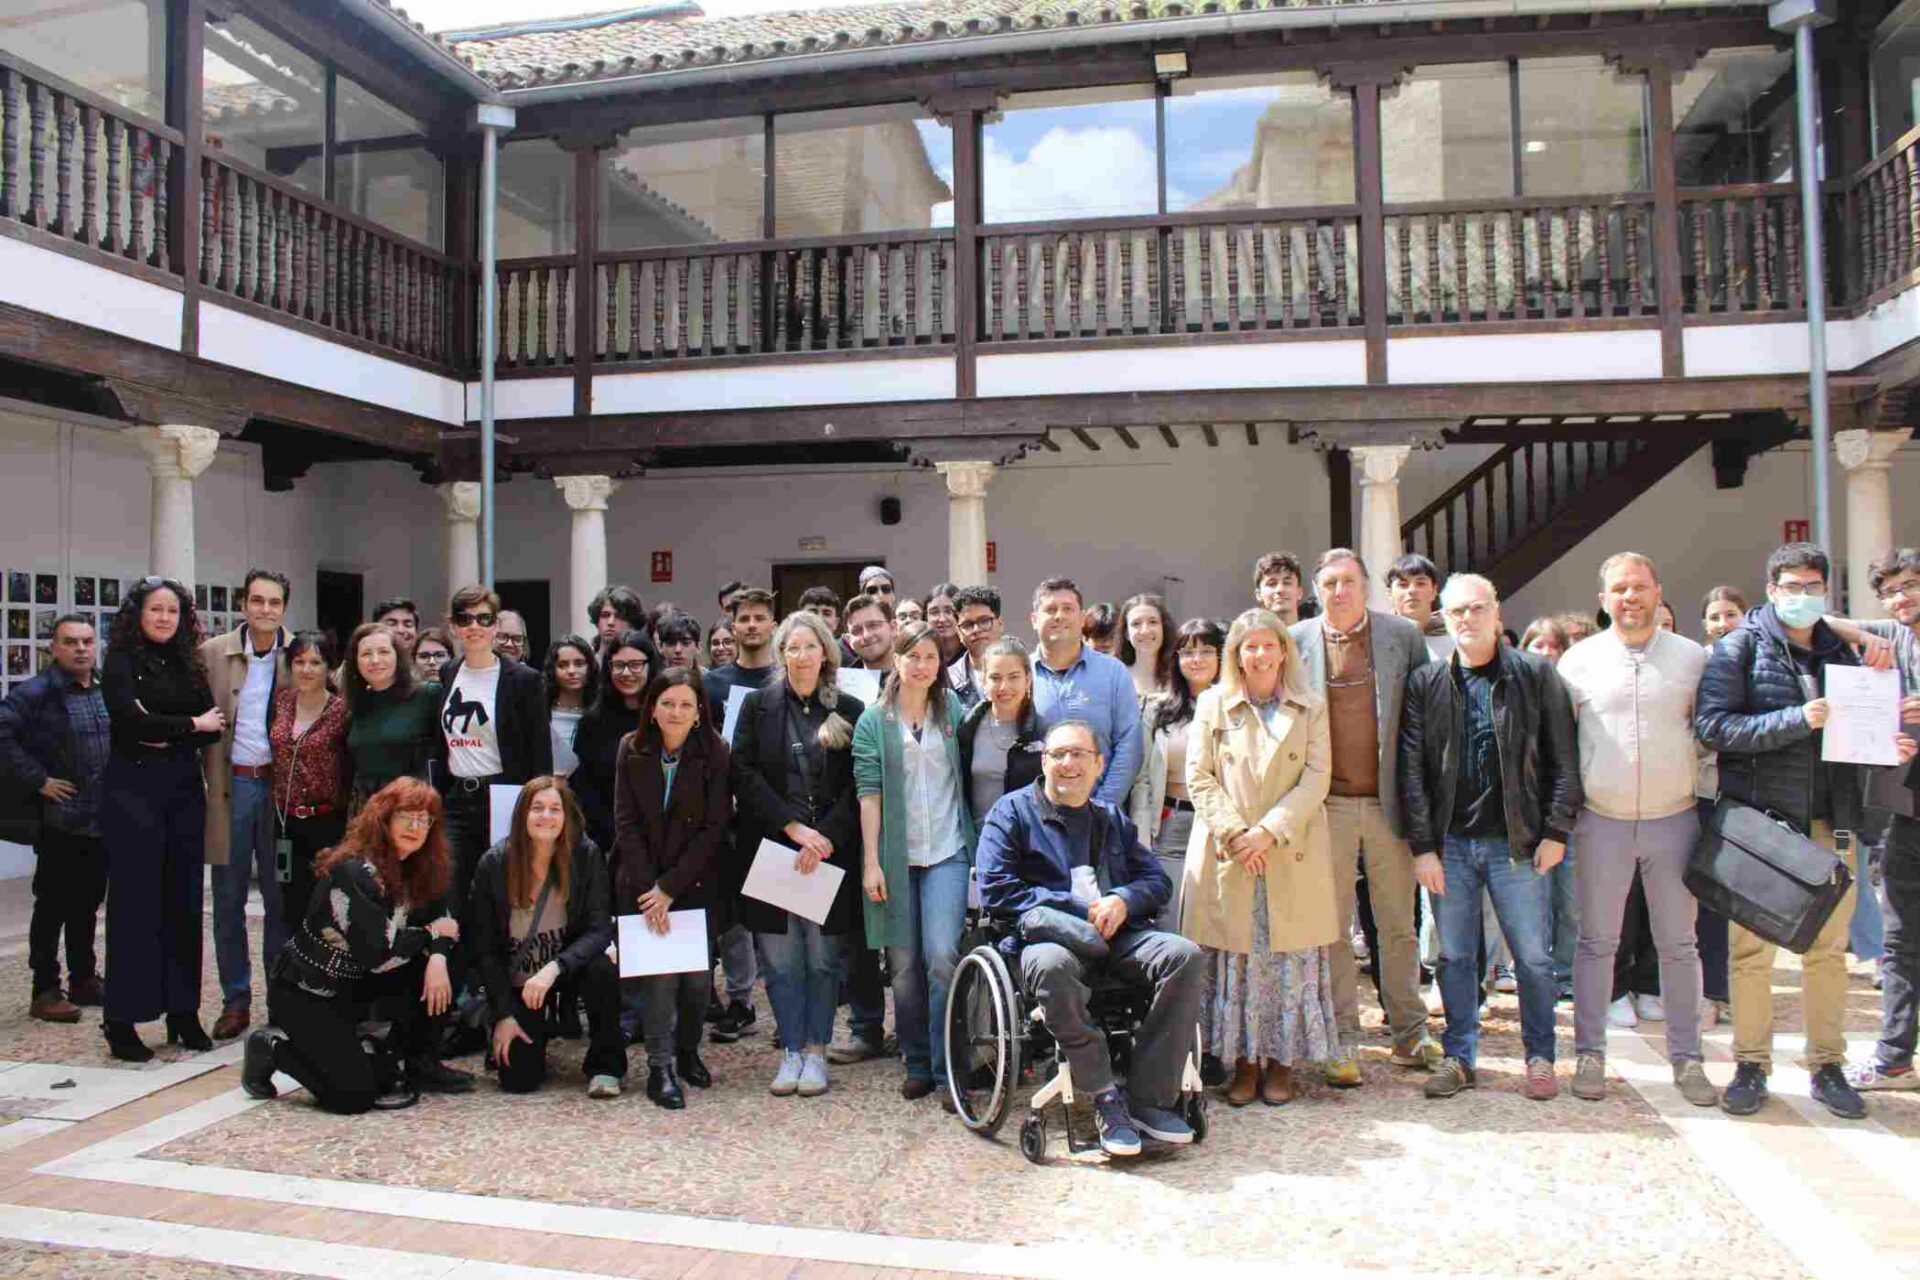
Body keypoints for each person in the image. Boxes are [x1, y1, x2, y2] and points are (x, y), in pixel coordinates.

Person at [1696, 543, 1900, 1121]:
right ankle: (1752, 1062)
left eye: (1812, 585)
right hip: (1761, 823)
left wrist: (1892, 739)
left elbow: (1867, 724)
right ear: (1770, 588)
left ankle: (1827, 1065)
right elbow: (1714, 727)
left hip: (1832, 818)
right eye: (1790, 585)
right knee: (1752, 949)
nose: (1801, 595)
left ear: (1826, 592)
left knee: (1828, 950)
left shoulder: (1845, 653)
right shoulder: (1739, 647)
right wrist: (1796, 720)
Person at [976, 719, 1202, 1155]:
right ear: (1044, 762)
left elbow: (1156, 881)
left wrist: (1122, 899)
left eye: (1079, 754)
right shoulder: (1012, 813)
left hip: (1116, 935)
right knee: (1051, 965)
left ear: (1098, 765)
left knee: (1184, 956)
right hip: (1049, 938)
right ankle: (1104, 1097)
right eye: (1058, 754)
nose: (1068, 763)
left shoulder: (1109, 817)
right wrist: (1078, 909)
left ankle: (1150, 1101)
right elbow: (997, 889)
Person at [1399, 573, 1580, 1102]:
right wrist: (1422, 846)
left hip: (1517, 844)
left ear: (1496, 612)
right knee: (1454, 957)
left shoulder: (1535, 675)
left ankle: (1540, 1058)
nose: (1466, 620)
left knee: (1532, 957)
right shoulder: (1427, 684)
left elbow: (1563, 760)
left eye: (1476, 609)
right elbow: (1410, 770)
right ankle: (1460, 1057)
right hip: (1450, 845)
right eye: (1456, 612)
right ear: (1445, 618)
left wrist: (1555, 830)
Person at [1556, 554, 1717, 1108]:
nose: (1631, 597)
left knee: (1679, 944)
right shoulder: (1576, 663)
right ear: (1603, 598)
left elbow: (1712, 730)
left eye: (1640, 587)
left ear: (1659, 593)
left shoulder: (1693, 659)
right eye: (1619, 588)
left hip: (1675, 819)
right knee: (1597, 942)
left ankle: (1687, 1057)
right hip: (1602, 820)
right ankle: (1590, 1053)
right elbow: (1560, 749)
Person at [1291, 550, 1442, 1080]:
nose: (1339, 592)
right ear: (1317, 588)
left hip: (1387, 803)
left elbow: (1423, 722)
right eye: (1330, 583)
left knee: (1397, 924)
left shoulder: (1402, 636)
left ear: (1365, 587)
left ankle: (1409, 1032)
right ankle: (1340, 1039)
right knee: (1330, 926)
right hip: (1325, 803)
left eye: (1349, 582)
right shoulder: (1296, 642)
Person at [1184, 608, 1341, 1106]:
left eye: (1267, 645)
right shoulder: (1213, 704)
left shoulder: (1309, 705)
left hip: (1287, 848)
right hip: (1231, 853)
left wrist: (1269, 832)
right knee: (1241, 960)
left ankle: (1282, 1064)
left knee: (1286, 962)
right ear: (1236, 654)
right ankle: (1244, 1064)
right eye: (1248, 646)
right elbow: (1199, 776)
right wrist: (1235, 834)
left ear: (1283, 650)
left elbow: (1317, 777)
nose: (1259, 654)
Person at [241, 777, 469, 1112]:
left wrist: (436, 956)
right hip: (308, 990)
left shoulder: (419, 867)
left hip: (356, 984)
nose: (415, 827)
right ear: (384, 818)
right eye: (406, 816)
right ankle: (272, 1048)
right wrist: (434, 933)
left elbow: (445, 918)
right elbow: (379, 952)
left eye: (424, 820)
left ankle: (420, 1061)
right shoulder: (355, 871)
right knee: (353, 1097)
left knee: (444, 959)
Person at [729, 611, 866, 1097]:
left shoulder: (848, 707)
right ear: (781, 653)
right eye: (792, 647)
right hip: (773, 850)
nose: (801, 656)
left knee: (824, 958)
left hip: (828, 853)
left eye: (810, 647)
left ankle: (816, 1050)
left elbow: (859, 784)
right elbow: (742, 774)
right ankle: (790, 1049)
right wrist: (793, 830)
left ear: (826, 652)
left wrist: (824, 835)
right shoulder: (757, 707)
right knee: (782, 960)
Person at [99, 576, 225, 1061]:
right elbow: (130, 723)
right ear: (138, 613)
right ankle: (122, 1019)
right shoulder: (120, 662)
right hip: (133, 792)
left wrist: (173, 731)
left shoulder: (188, 664)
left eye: (172, 611)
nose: (165, 618)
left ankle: (182, 1012)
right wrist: (189, 726)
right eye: (156, 609)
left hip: (181, 790)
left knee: (183, 903)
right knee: (134, 906)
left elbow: (213, 728)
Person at [854, 621, 976, 1101]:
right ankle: (917, 1060)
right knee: (903, 965)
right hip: (897, 857)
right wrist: (871, 862)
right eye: (913, 656)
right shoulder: (873, 721)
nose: (923, 665)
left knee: (943, 957)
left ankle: (949, 1067)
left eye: (931, 657)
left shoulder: (954, 711)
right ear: (897, 661)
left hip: (947, 850)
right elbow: (869, 795)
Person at [613, 669, 729, 1108]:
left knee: (698, 982)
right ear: (653, 709)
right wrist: (652, 890)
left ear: (699, 712)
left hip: (695, 882)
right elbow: (624, 822)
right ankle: (659, 1067)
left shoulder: (716, 752)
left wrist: (670, 888)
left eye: (686, 704)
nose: (676, 712)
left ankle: (687, 1051)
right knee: (660, 980)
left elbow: (715, 827)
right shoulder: (631, 748)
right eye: (667, 703)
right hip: (643, 884)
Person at [470, 777, 624, 1098]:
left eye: (555, 809)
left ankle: (605, 1065)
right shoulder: (494, 864)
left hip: (563, 969)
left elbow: (599, 928)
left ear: (566, 816)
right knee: (518, 1081)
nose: (546, 816)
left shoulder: (585, 855)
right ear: (522, 815)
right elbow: (484, 949)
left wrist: (554, 967)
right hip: (518, 980)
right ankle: (517, 1032)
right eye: (537, 808)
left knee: (603, 968)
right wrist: (503, 1014)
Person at [0, 614, 108, 1022]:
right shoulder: (37, 693)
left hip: (100, 819)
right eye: (71, 642)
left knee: (87, 904)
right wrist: (37, 779)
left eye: (86, 641)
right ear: (54, 648)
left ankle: (84, 978)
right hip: (60, 820)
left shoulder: (104, 688)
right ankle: (44, 988)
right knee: (52, 905)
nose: (81, 648)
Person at [200, 569, 293, 1041]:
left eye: (274, 602)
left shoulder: (300, 655)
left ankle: (281, 999)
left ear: (284, 608)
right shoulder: (213, 654)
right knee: (229, 898)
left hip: (279, 796)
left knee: (280, 899)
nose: (265, 610)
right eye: (257, 600)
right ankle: (235, 1000)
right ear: (243, 604)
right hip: (230, 789)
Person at [1840, 549, 1920, 1092]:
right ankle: (1894, 1058)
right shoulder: (1896, 637)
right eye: (1891, 592)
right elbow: (1815, 619)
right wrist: (1868, 640)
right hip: (1909, 809)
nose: (1901, 598)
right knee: (1899, 937)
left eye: (1910, 586)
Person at [434, 585, 553, 929]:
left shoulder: (524, 680)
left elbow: (539, 754)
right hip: (457, 799)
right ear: (453, 626)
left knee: (500, 894)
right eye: (465, 618)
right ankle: (459, 978)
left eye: (483, 618)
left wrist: (536, 807)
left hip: (504, 797)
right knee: (453, 893)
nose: (474, 626)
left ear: (495, 626)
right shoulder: (449, 673)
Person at [702, 587, 777, 1043]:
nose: (750, 625)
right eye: (742, 618)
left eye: (758, 618)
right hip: (723, 813)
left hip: (772, 813)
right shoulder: (712, 684)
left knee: (773, 916)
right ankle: (740, 1001)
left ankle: (787, 1009)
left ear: (772, 623)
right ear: (731, 627)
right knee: (730, 914)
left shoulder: (785, 678)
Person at [1128, 619, 1224, 932]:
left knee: (1215, 917)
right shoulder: (1158, 710)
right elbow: (1142, 778)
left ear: (1222, 656)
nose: (1196, 660)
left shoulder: (1235, 707)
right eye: (1188, 653)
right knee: (1171, 916)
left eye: (1206, 651)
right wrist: (1144, 834)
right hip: (1172, 822)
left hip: (1220, 825)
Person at [268, 632, 351, 949]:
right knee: (289, 903)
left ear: (329, 667)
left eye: (316, 662)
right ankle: (292, 981)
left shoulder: (342, 711)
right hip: (285, 823)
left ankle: (325, 984)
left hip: (327, 823)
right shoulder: (281, 701)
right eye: (299, 661)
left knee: (325, 908)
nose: (306, 669)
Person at [1029, 578, 1142, 808]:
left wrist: (1102, 806)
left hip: (1101, 815)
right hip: (1036, 817)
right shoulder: (1019, 674)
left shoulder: (1113, 673)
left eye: (1067, 609)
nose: (1059, 616)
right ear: (1034, 620)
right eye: (1050, 609)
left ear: (1082, 619)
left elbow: (1129, 745)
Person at [1692, 584, 1748, 1030]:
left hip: (1750, 797)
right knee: (1708, 900)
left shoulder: (1759, 663)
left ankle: (1734, 990)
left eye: (1730, 614)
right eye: (1715, 616)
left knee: (1739, 900)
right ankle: (1712, 990)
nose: (1723, 623)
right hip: (1706, 795)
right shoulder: (1699, 667)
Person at [571, 630, 655, 852]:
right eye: (618, 665)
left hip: (661, 841)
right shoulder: (591, 723)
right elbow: (584, 789)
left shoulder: (666, 717)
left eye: (635, 665)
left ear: (650, 666)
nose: (626, 673)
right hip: (608, 843)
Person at [343, 622, 439, 803]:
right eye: (366, 654)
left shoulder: (427, 695)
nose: (375, 660)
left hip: (412, 808)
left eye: (384, 652)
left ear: (398, 657)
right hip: (368, 811)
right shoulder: (355, 705)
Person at [541, 634, 598, 779]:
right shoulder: (539, 713)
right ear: (552, 670)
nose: (571, 671)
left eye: (579, 664)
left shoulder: (601, 714)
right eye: (563, 665)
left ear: (590, 667)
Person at [1388, 554, 1453, 662]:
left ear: (1434, 591)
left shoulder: (1456, 637)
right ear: (1389, 593)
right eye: (1403, 585)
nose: (1412, 591)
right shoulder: (1377, 637)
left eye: (1420, 583)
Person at [947, 586, 1003, 709]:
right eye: (968, 625)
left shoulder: (1024, 671)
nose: (977, 630)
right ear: (958, 632)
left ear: (1000, 623)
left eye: (984, 621)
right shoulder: (947, 680)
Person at [1118, 593, 1176, 703]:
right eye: (1136, 624)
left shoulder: (1180, 678)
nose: (1145, 630)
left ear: (1164, 628)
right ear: (1126, 633)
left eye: (1153, 622)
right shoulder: (1114, 679)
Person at [588, 586, 648, 663]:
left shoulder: (646, 666)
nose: (610, 622)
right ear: (597, 621)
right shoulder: (587, 666)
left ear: (632, 623)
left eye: (618, 616)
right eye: (605, 615)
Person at [845, 593, 897, 671]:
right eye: (857, 630)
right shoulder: (841, 681)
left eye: (873, 625)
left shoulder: (918, 676)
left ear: (893, 628)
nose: (866, 635)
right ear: (849, 640)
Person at [1254, 552, 1305, 627]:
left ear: (1299, 592)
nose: (1280, 590)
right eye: (1272, 584)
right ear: (1258, 594)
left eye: (1287, 583)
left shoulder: (1317, 636)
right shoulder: (1251, 638)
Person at [923, 582, 965, 667]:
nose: (942, 619)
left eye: (949, 611)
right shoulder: (921, 654)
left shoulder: (972, 654)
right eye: (934, 612)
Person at [653, 611, 705, 676]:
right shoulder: (653, 683)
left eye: (686, 643)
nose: (678, 650)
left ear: (698, 647)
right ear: (660, 647)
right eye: (671, 643)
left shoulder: (712, 682)